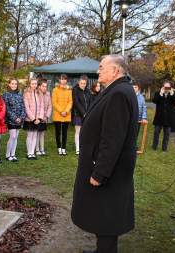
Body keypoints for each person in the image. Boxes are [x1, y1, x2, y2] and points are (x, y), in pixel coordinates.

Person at [71, 55, 138, 253]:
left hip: (109, 171)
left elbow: (113, 139)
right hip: (108, 168)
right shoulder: (115, 90)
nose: (98, 71)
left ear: (115, 71)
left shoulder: (119, 93)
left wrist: (99, 173)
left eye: (101, 67)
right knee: (103, 216)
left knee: (107, 218)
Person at [3, 78, 26, 162]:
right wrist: (15, 118)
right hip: (11, 119)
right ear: (9, 84)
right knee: (12, 136)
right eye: (12, 83)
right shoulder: (6, 94)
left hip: (20, 119)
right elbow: (7, 108)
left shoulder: (19, 94)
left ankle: (13, 154)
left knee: (16, 137)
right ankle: (7, 154)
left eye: (15, 84)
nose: (14, 85)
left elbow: (23, 106)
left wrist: (21, 117)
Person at [23, 78, 45, 160]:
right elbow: (27, 107)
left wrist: (39, 118)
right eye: (32, 84)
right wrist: (33, 118)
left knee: (35, 135)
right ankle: (29, 153)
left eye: (35, 84)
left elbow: (42, 106)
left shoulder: (39, 93)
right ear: (29, 84)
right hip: (30, 119)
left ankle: (32, 152)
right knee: (30, 136)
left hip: (38, 118)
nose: (34, 85)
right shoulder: (26, 93)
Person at [52, 74, 73, 156]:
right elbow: (54, 102)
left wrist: (66, 111)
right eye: (62, 79)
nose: (63, 80)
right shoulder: (55, 90)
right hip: (58, 114)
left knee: (65, 133)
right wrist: (61, 111)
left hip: (66, 115)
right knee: (58, 132)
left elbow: (70, 102)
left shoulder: (69, 90)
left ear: (66, 80)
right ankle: (59, 148)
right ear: (59, 80)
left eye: (65, 79)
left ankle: (63, 148)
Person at [152, 81, 175, 152]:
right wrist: (161, 94)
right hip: (159, 117)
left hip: (168, 118)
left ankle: (164, 149)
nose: (167, 88)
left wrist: (171, 95)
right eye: (166, 87)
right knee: (156, 132)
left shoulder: (172, 94)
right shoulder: (158, 93)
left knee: (167, 134)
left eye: (168, 87)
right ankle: (154, 147)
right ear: (163, 87)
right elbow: (154, 101)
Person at [72, 75, 91, 155]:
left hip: (87, 114)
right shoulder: (75, 90)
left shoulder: (87, 91)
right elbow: (76, 102)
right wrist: (83, 113)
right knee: (78, 131)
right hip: (78, 114)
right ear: (78, 82)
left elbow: (89, 102)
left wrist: (88, 112)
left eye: (84, 83)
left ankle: (83, 147)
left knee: (85, 131)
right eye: (81, 83)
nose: (83, 85)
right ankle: (77, 148)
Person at [36, 79, 52, 156]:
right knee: (37, 133)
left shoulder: (48, 94)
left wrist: (47, 116)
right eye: (43, 86)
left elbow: (50, 106)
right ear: (39, 86)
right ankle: (37, 149)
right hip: (38, 117)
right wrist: (39, 117)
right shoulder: (36, 94)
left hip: (45, 117)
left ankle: (42, 148)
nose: (45, 88)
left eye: (46, 86)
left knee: (42, 134)